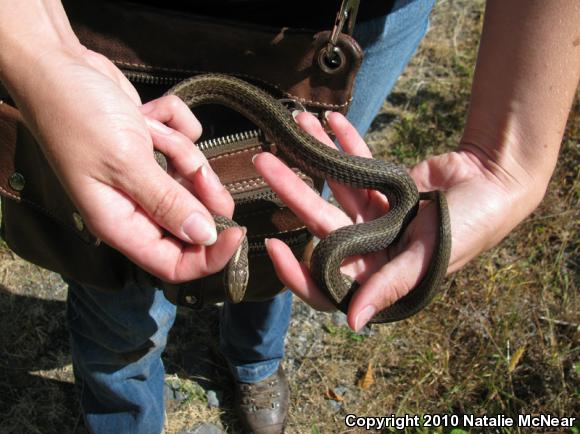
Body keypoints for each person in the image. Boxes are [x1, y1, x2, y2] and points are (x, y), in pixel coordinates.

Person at [0, 1, 578, 434]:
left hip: (352, 21)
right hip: (108, 17)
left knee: (290, 223)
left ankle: (255, 362)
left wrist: (509, 159)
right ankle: (124, 403)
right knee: (121, 245)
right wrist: (39, 47)